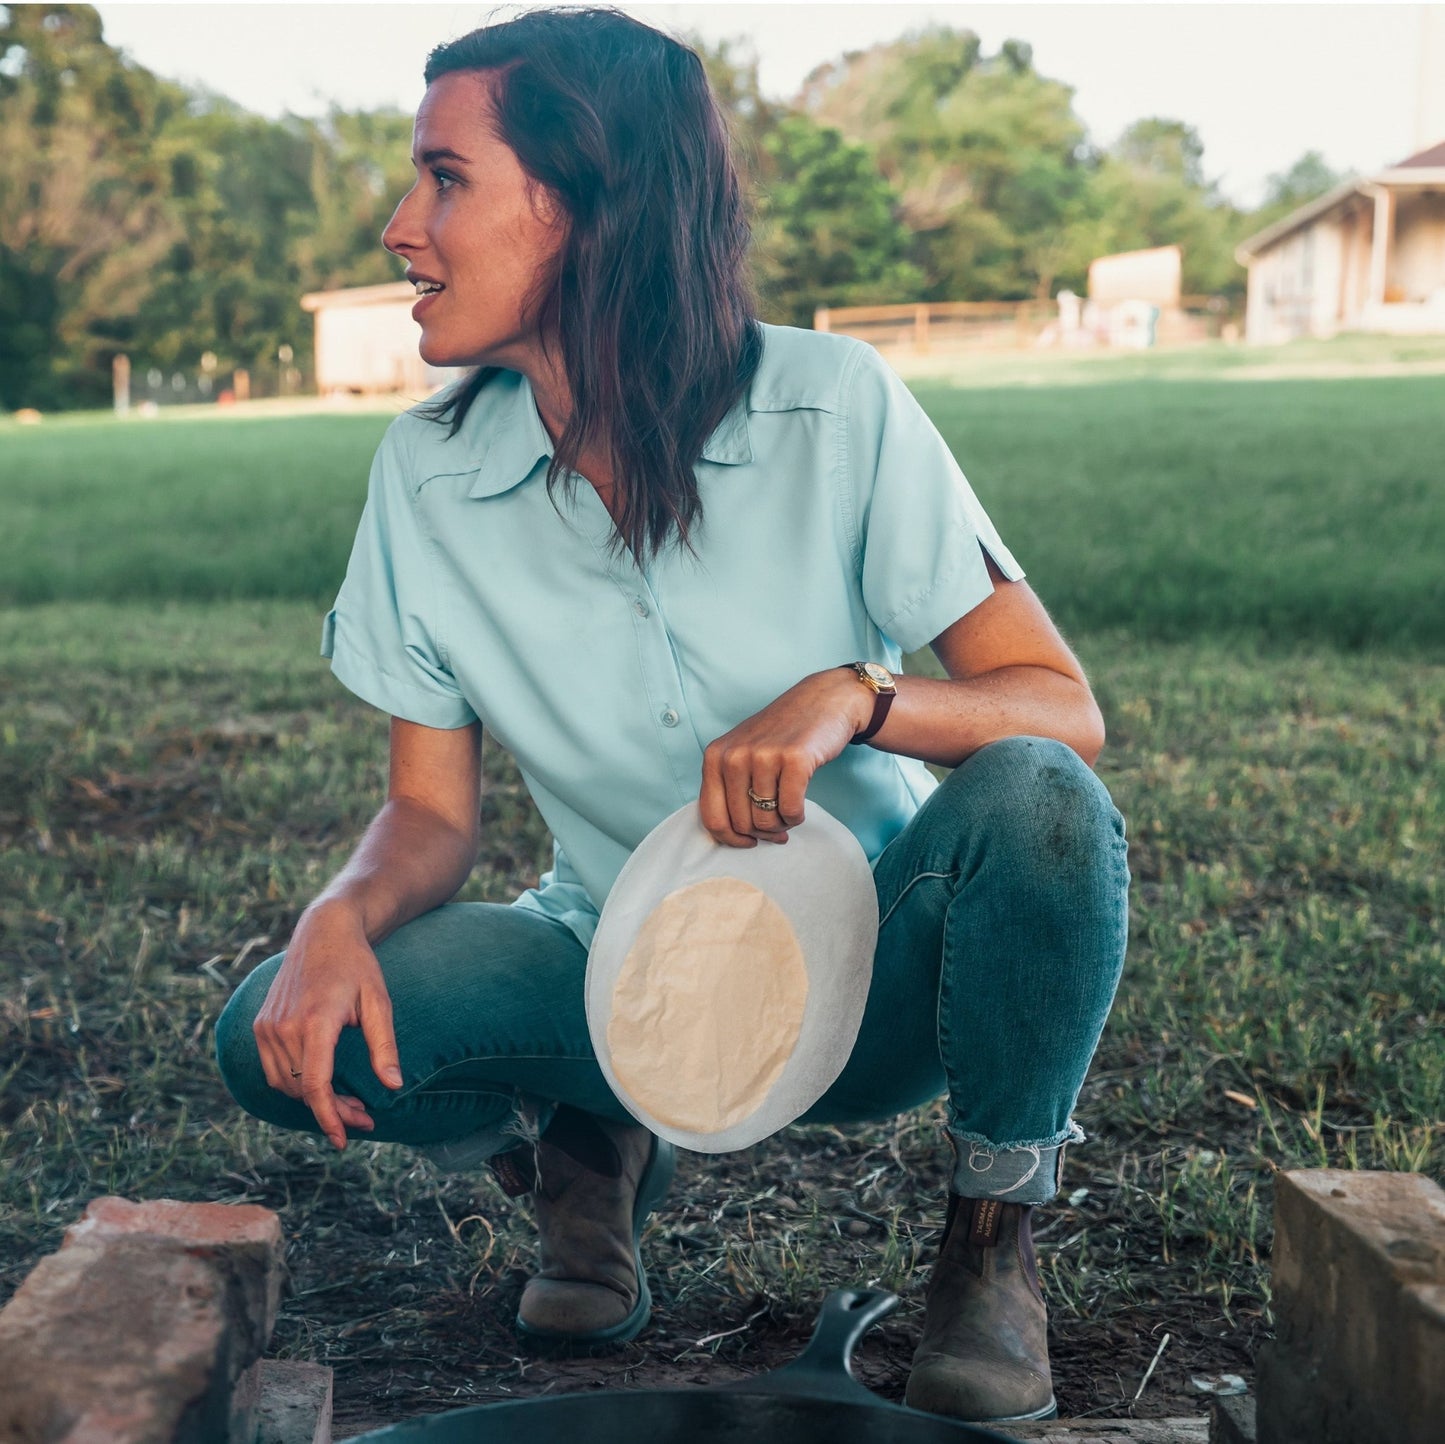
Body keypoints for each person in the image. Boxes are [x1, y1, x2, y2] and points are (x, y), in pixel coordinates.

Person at [214, 6, 1129, 1427]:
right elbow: (431, 814)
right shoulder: (425, 474)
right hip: (607, 968)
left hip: (870, 970)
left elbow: (1057, 710)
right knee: (273, 1034)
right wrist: (338, 911)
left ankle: (990, 1245)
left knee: (1037, 801)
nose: (401, 225)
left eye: (444, 178)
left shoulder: (834, 407)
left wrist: (857, 696)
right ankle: (586, 1130)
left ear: (589, 204)